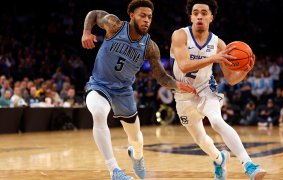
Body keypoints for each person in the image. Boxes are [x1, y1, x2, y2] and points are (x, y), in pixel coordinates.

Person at [81, 1, 196, 180]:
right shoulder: (115, 25)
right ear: (132, 15)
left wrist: (177, 85)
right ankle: (114, 171)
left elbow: (161, 76)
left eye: (149, 17)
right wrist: (87, 32)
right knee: (98, 112)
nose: (146, 20)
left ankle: (137, 156)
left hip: (124, 92)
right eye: (142, 15)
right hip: (99, 85)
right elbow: (94, 13)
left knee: (136, 139)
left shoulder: (150, 47)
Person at [170, 0, 266, 179]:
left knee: (216, 120)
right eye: (196, 12)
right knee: (201, 140)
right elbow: (183, 66)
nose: (199, 15)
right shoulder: (180, 35)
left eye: (204, 13)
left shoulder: (219, 44)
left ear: (211, 17)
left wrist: (245, 71)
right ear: (191, 16)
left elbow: (231, 79)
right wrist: (214, 58)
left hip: (206, 89)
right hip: (182, 95)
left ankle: (249, 164)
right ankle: (219, 158)